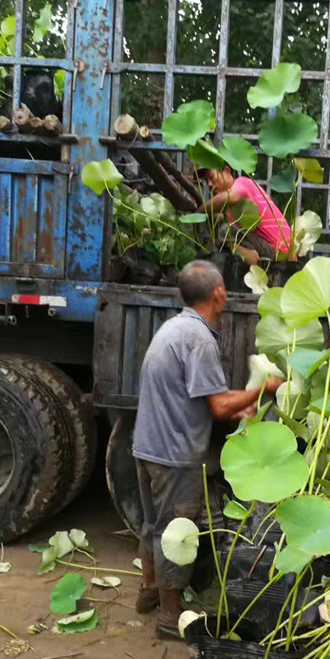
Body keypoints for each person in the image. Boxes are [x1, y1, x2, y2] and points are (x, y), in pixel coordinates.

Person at [132, 260, 282, 639]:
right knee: (175, 530)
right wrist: (264, 389)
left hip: (147, 446)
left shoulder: (175, 328)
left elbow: (209, 396)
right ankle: (169, 617)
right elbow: (218, 407)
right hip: (174, 454)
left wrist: (242, 402)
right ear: (218, 294)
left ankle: (149, 591)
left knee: (153, 525)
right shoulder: (199, 339)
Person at [198, 166, 293, 266]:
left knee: (226, 231)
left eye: (211, 177)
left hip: (280, 251)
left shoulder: (242, 182)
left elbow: (230, 197)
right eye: (205, 181)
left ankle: (256, 269)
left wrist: (199, 210)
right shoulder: (233, 211)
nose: (209, 184)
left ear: (227, 171)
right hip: (274, 249)